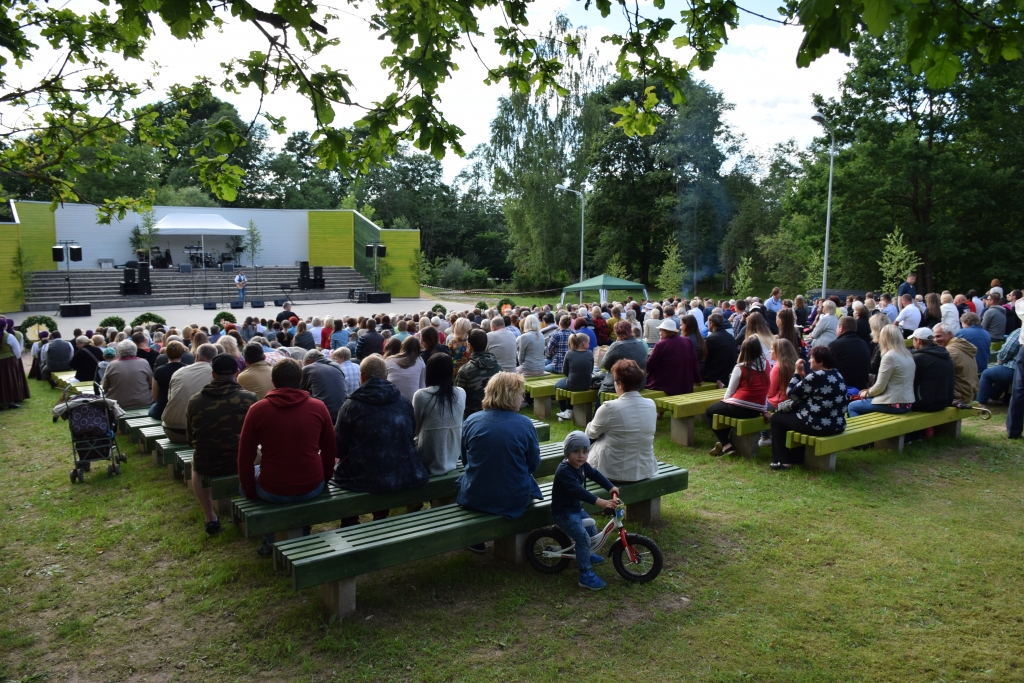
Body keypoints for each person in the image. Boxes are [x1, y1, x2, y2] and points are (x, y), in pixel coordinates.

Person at [238, 358, 335, 557]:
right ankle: (303, 531)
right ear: (300, 381)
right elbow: (330, 449)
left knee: (244, 482)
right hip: (311, 484)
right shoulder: (318, 407)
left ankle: (271, 538)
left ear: (273, 382)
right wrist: (324, 478)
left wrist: (249, 490)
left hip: (273, 488)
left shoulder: (257, 410)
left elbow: (244, 457)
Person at [333, 354, 429, 524]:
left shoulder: (351, 406)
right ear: (386, 376)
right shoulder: (403, 401)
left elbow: (339, 448)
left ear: (362, 377)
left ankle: (350, 520)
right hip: (402, 470)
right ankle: (379, 514)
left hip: (362, 476)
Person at [457, 372, 543, 537]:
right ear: (510, 396)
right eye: (520, 394)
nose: (523, 399)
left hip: (475, 495)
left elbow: (465, 459)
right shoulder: (525, 424)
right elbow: (533, 464)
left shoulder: (471, 421)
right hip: (513, 498)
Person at [186, 354, 257, 536]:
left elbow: (191, 438)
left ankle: (210, 517)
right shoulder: (249, 398)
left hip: (207, 462)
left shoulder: (195, 400)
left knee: (196, 464)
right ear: (237, 372)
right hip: (241, 461)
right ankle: (253, 505)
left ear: (213, 374)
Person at [551, 430, 620, 591]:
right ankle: (585, 574)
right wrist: (601, 502)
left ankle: (586, 554)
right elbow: (577, 491)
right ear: (567, 452)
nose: (581, 456)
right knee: (583, 539)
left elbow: (595, 474)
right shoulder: (565, 471)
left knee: (591, 529)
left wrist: (610, 487)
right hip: (564, 512)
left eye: (585, 451)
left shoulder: (582, 465)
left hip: (575, 508)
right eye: (576, 451)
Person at [767, 346, 847, 469]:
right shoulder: (837, 374)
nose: (809, 361)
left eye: (811, 358)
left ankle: (783, 460)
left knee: (777, 419)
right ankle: (797, 457)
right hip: (837, 424)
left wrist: (797, 372)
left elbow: (791, 394)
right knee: (794, 418)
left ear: (820, 361)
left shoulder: (816, 376)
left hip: (818, 425)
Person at [586, 359, 657, 481]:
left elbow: (591, 433)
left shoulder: (609, 408)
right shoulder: (651, 404)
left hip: (611, 472)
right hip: (645, 470)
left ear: (619, 383)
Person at [706, 336, 771, 456]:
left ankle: (726, 445)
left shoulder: (741, 367)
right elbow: (766, 388)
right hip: (756, 410)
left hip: (740, 406)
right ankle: (725, 443)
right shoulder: (766, 364)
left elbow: (730, 391)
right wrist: (764, 409)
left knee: (710, 411)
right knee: (722, 411)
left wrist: (725, 402)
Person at [413, 353, 466, 475]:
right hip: (453, 454)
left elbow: (414, 428)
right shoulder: (461, 393)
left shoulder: (421, 395)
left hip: (428, 458)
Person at [847, 325, 916, 418]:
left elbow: (880, 387)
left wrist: (866, 393)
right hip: (907, 403)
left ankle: (864, 432)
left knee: (852, 406)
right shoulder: (908, 355)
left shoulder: (889, 356)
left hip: (892, 403)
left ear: (884, 339)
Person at [162, 344, 218, 443]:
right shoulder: (215, 374)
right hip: (200, 432)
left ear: (196, 356)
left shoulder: (179, 372)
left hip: (171, 430)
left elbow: (170, 398)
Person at [646, 319, 702, 396]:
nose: (660, 333)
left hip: (667, 384)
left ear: (665, 331)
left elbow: (650, 365)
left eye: (661, 330)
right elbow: (694, 362)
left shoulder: (661, 345)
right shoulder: (687, 341)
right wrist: (698, 379)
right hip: (685, 384)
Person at [456, 329, 501, 418]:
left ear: (469, 346)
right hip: (495, 415)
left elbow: (458, 399)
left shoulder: (464, 371)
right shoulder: (499, 368)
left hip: (471, 418)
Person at [909, 328, 955, 412]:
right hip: (945, 401)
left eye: (913, 339)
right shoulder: (944, 354)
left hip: (925, 404)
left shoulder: (919, 358)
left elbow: (908, 380)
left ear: (918, 340)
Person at [100, 339, 155, 410]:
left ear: (119, 351)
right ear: (135, 350)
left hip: (118, 404)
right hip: (143, 401)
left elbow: (105, 386)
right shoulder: (144, 362)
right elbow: (151, 383)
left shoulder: (112, 365)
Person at [933, 323, 980, 405]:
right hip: (969, 391)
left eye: (938, 336)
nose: (935, 340)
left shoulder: (949, 352)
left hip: (959, 396)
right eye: (934, 337)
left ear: (950, 334)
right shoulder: (962, 346)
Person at [597, 321, 648, 395]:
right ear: (630, 330)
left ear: (616, 333)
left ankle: (599, 406)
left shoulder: (616, 346)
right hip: (639, 384)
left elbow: (605, 365)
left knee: (601, 390)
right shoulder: (641, 344)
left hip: (622, 385)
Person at [300, 348, 349, 423]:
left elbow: (299, 392)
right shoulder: (338, 366)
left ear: (310, 360)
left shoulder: (308, 368)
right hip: (343, 412)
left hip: (323, 413)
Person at [555, 333, 594, 421]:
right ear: (583, 343)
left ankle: (564, 410)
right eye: (588, 343)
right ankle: (569, 409)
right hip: (587, 384)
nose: (589, 345)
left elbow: (565, 371)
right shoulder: (590, 353)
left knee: (557, 386)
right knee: (570, 384)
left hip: (572, 384)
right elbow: (590, 370)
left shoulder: (569, 353)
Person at [977, 327, 1020, 408]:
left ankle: (981, 403)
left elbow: (1008, 349)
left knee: (987, 374)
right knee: (1000, 371)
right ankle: (995, 397)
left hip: (1017, 369)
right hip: (1017, 370)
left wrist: (1001, 358)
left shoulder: (1020, 332)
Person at [829, 316, 871, 392]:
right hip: (862, 386)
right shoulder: (863, 343)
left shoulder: (834, 345)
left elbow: (827, 368)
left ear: (841, 328)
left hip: (842, 387)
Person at [150, 340, 186, 419]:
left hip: (163, 410)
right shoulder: (188, 369)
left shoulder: (159, 370)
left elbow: (155, 396)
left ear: (166, 353)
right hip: (182, 409)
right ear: (182, 354)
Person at [385, 336, 426, 402]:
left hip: (392, 399)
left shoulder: (389, 360)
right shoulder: (420, 362)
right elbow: (422, 386)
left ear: (403, 345)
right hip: (412, 401)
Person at [702, 313, 739, 387]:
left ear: (711, 323)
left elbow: (705, 358)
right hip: (728, 372)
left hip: (714, 375)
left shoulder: (712, 339)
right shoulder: (730, 337)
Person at [0, 318, 28, 409]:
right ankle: (11, 401)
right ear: (5, 326)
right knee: (10, 381)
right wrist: (16, 360)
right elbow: (17, 351)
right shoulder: (9, 336)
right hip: (8, 362)